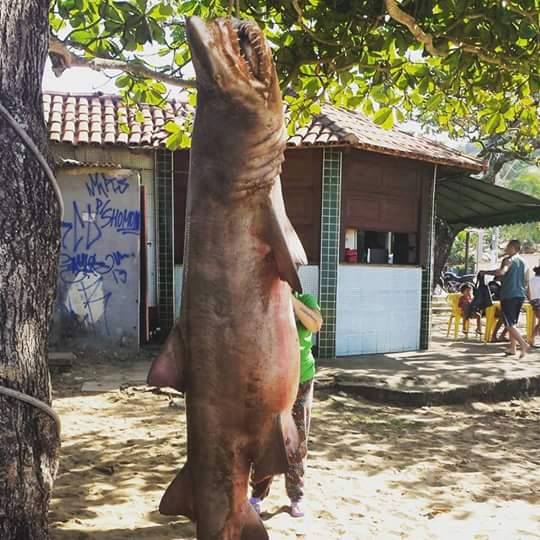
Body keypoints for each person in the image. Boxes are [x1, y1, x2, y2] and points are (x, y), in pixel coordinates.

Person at [249, 290, 323, 518]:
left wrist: (290, 300)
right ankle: (257, 496)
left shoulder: (306, 300)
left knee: (297, 441)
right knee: (266, 442)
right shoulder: (264, 301)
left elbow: (315, 324)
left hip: (301, 380)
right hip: (272, 382)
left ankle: (296, 497)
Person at [480, 240, 530, 358]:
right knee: (513, 322)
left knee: (508, 324)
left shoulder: (508, 260)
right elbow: (526, 280)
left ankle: (523, 344)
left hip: (509, 294)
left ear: (513, 248)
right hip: (520, 295)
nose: (506, 249)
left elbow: (502, 272)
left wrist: (486, 272)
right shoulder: (524, 262)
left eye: (507, 247)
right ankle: (512, 348)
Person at [529, 265, 540, 347]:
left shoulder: (531, 280)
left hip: (534, 301)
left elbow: (528, 293)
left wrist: (531, 301)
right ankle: (532, 338)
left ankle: (532, 338)